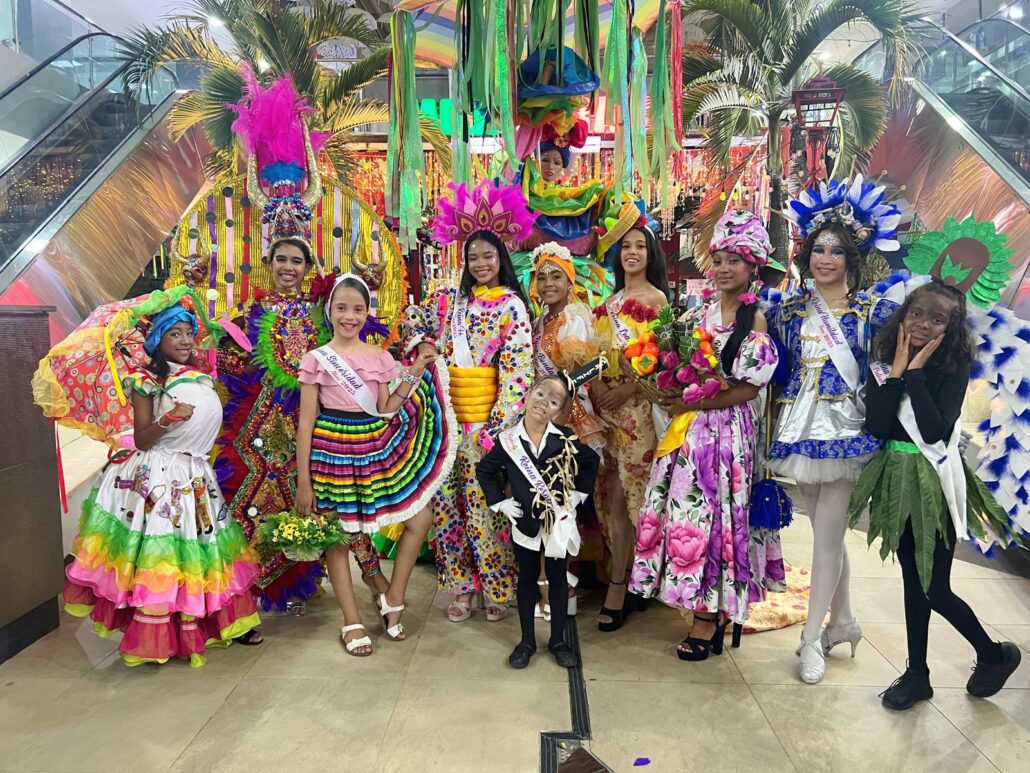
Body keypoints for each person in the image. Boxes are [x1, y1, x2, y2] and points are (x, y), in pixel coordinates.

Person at [848, 280, 1021, 709]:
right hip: (896, 477)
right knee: (913, 581)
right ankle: (917, 674)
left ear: (951, 328)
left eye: (937, 319)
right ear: (904, 314)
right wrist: (897, 372)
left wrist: (918, 374)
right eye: (917, 314)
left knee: (934, 586)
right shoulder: (886, 361)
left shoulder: (952, 368)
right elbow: (879, 427)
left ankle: (993, 654)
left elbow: (933, 430)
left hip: (933, 483)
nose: (923, 324)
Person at [63, 300, 262, 666]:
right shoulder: (146, 381)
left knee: (203, 552)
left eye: (188, 333)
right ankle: (163, 634)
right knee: (166, 556)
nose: (186, 340)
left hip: (196, 475)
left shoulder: (198, 373)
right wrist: (169, 420)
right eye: (175, 334)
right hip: (161, 479)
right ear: (158, 339)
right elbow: (142, 439)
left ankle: (212, 625)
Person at [768, 176, 902, 683]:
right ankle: (844, 621)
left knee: (826, 538)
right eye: (817, 249)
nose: (824, 258)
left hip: (847, 433)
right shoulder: (788, 310)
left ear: (853, 257)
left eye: (836, 250)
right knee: (826, 533)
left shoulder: (875, 313)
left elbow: (894, 367)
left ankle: (810, 640)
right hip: (797, 431)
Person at [629, 211, 780, 660]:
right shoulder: (696, 314)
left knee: (717, 519)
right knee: (686, 516)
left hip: (728, 433)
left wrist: (694, 402)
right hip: (688, 431)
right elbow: (674, 366)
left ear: (752, 266)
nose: (725, 269)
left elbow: (750, 385)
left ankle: (709, 617)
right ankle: (699, 602)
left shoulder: (754, 322)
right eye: (719, 260)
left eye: (736, 260)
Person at [215, 237, 388, 616]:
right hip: (262, 430)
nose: (288, 268)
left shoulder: (323, 313)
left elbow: (355, 350)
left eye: (297, 261)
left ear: (308, 267)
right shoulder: (250, 312)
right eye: (281, 260)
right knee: (256, 505)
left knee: (339, 512)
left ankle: (376, 581)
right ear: (269, 263)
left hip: (325, 432)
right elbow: (229, 361)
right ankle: (249, 592)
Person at [294, 274, 454, 655]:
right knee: (337, 537)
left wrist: (414, 372)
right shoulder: (316, 359)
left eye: (358, 309)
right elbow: (305, 421)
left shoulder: (380, 357)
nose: (350, 316)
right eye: (342, 308)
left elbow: (384, 409)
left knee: (420, 518)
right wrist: (304, 481)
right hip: (331, 451)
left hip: (374, 448)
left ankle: (393, 596)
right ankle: (351, 620)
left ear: (368, 312)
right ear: (329, 311)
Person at [401, 180, 536, 622]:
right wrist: (422, 343)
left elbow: (517, 371)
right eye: (473, 256)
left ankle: (497, 587)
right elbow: (412, 324)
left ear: (501, 258)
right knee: (446, 508)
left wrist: (496, 426)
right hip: (445, 422)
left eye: (488, 255)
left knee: (487, 507)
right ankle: (460, 587)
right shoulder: (449, 304)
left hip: (485, 423)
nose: (480, 263)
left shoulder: (513, 307)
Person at [476, 365, 602, 669]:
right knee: (528, 580)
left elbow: (591, 461)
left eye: (554, 401)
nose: (544, 402)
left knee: (558, 579)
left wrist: (578, 495)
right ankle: (527, 641)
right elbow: (484, 470)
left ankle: (558, 640)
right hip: (526, 523)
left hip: (557, 523)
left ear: (559, 411)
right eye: (541, 394)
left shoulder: (566, 439)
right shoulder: (508, 440)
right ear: (529, 394)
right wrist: (499, 502)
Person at [589, 221, 669, 631]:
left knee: (635, 497)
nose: (632, 253)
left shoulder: (657, 301)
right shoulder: (610, 301)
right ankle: (623, 577)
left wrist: (627, 391)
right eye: (626, 247)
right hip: (607, 412)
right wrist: (601, 386)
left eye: (640, 246)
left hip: (638, 411)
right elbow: (596, 353)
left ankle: (632, 584)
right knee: (610, 497)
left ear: (650, 254)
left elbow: (664, 361)